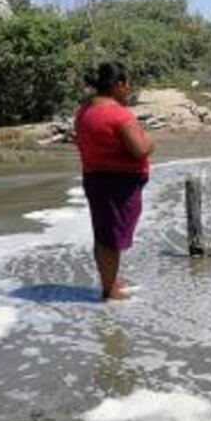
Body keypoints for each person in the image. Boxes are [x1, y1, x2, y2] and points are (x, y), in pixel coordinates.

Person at [75, 62, 155, 301]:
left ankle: (110, 281)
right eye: (126, 84)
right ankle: (109, 290)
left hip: (95, 178)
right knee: (111, 238)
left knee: (104, 234)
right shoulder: (117, 114)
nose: (128, 89)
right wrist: (150, 141)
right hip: (117, 184)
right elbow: (140, 150)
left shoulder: (85, 110)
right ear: (119, 85)